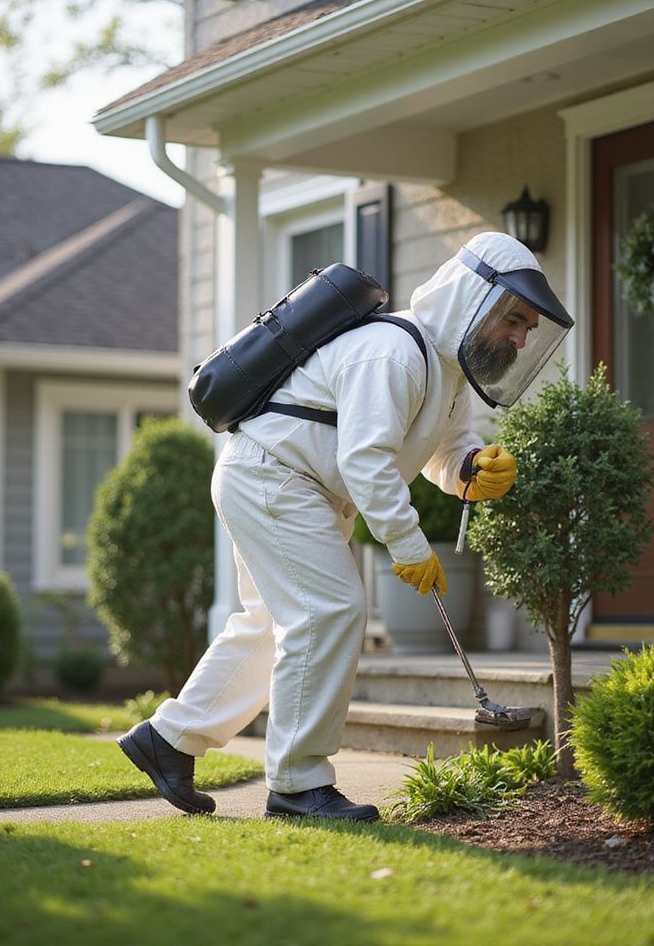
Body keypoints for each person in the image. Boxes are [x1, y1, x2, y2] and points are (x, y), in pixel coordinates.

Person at [118, 231, 574, 821]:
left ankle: (168, 741)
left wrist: (469, 469)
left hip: (287, 482)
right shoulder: (393, 350)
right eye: (513, 319)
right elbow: (365, 458)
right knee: (329, 610)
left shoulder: (449, 369)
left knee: (269, 625)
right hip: (275, 476)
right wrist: (409, 545)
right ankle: (298, 784)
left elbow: (439, 450)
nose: (519, 337)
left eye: (528, 329)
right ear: (472, 298)